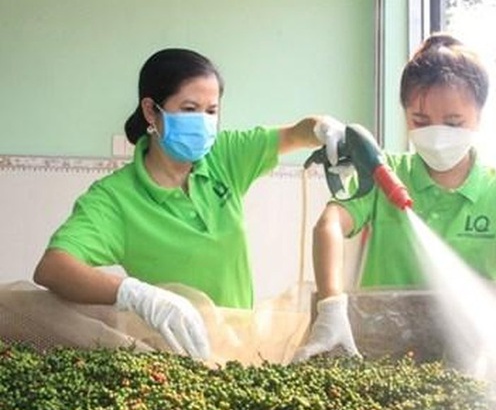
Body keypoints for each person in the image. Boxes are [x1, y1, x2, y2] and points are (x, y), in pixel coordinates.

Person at [33, 48, 346, 361]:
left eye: (211, 111)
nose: (203, 121)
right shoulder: (115, 198)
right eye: (189, 108)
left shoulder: (223, 156)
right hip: (174, 358)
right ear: (151, 112)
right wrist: (137, 296)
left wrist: (323, 130)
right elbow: (53, 267)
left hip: (243, 351)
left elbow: (294, 134)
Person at [293, 32, 496, 362]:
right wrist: (331, 306)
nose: (438, 134)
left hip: (474, 364)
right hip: (381, 358)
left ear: (479, 116)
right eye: (421, 121)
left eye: (454, 122)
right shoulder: (384, 174)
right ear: (405, 116)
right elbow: (329, 225)